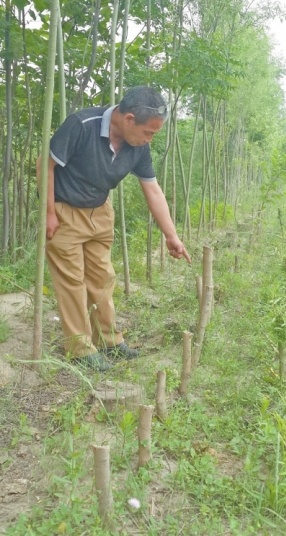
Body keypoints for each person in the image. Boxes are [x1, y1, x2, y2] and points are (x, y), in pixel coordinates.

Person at [36, 86, 191, 372]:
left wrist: (172, 235)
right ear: (129, 119)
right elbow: (45, 165)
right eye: (149, 132)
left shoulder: (138, 146)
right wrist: (48, 213)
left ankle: (108, 341)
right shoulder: (82, 124)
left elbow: (153, 190)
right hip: (65, 212)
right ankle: (80, 349)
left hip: (101, 211)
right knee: (72, 282)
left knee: (103, 278)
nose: (149, 139)